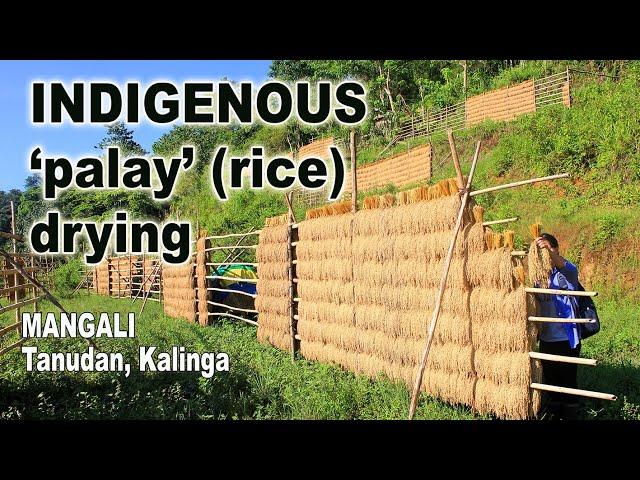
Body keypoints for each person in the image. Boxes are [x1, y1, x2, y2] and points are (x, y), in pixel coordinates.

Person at [534, 233, 582, 420]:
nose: (544, 254)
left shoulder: (567, 272)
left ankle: (571, 415)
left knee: (568, 381)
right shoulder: (539, 278)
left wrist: (548, 251)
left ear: (557, 249)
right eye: (541, 252)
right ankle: (555, 415)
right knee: (552, 381)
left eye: (549, 249)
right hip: (547, 338)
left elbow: (567, 266)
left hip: (566, 338)